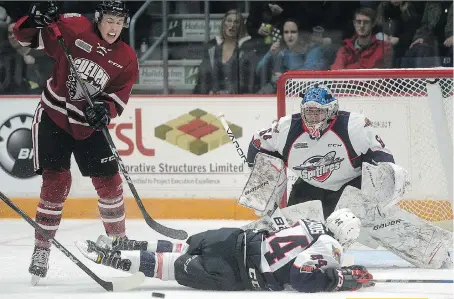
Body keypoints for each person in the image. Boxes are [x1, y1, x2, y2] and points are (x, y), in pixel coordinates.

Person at [246, 84, 452, 269]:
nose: (313, 118)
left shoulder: (353, 126)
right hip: (309, 186)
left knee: (379, 223)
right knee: (295, 233)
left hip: (351, 185)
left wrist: (380, 192)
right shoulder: (286, 128)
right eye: (309, 112)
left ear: (332, 111)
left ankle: (436, 248)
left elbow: (382, 157)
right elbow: (258, 143)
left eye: (319, 112)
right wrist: (259, 171)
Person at [12, 0, 139, 284]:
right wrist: (35, 20)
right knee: (56, 184)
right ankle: (42, 249)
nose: (113, 27)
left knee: (110, 182)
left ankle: (118, 240)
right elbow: (25, 37)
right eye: (109, 20)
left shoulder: (127, 57)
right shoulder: (74, 27)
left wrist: (105, 110)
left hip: (87, 126)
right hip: (54, 116)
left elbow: (119, 96)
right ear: (98, 18)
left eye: (119, 23)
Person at [76, 209, 375, 292]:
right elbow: (300, 278)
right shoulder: (332, 246)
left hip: (236, 239)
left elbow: (273, 223)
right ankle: (111, 258)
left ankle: (123, 244)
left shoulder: (310, 222)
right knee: (171, 264)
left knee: (185, 244)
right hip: (238, 273)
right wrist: (335, 281)